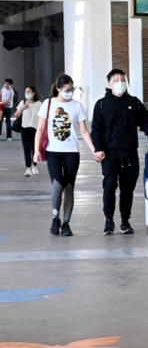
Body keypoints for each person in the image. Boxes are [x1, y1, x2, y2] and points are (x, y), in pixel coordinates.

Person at [91, 69, 148, 235]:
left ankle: (125, 221)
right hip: (109, 154)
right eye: (116, 79)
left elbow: (144, 121)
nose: (120, 82)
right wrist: (98, 148)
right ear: (109, 84)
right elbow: (96, 129)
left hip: (129, 152)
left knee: (127, 188)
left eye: (122, 79)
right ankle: (109, 221)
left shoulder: (134, 102)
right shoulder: (101, 104)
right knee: (109, 187)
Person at [34, 74, 97, 237]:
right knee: (57, 183)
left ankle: (66, 224)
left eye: (72, 89)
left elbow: (83, 130)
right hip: (53, 151)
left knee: (69, 186)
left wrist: (93, 150)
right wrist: (35, 152)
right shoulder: (48, 104)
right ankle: (55, 217)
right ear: (58, 89)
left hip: (72, 151)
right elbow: (40, 129)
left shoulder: (77, 106)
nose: (70, 92)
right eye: (67, 89)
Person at [14, 85, 41, 176]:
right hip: (24, 129)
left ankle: (35, 166)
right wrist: (22, 109)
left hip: (35, 130)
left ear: (33, 93)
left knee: (35, 149)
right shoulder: (23, 102)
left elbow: (42, 118)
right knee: (26, 149)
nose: (27, 93)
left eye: (29, 91)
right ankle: (28, 168)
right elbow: (16, 115)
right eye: (26, 92)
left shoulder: (39, 104)